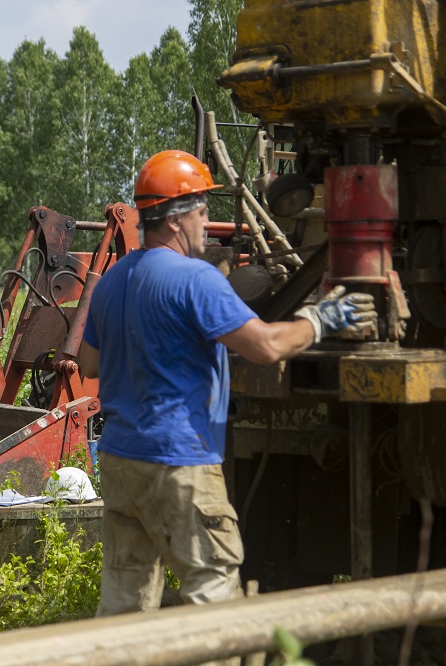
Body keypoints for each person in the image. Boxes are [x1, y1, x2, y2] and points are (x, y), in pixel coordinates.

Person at [78, 150, 375, 617]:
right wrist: (321, 321)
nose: (205, 223)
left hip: (119, 461)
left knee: (125, 601)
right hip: (178, 463)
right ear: (176, 220)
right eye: (201, 212)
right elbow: (267, 347)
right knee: (212, 586)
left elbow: (89, 364)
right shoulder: (196, 280)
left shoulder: (113, 280)